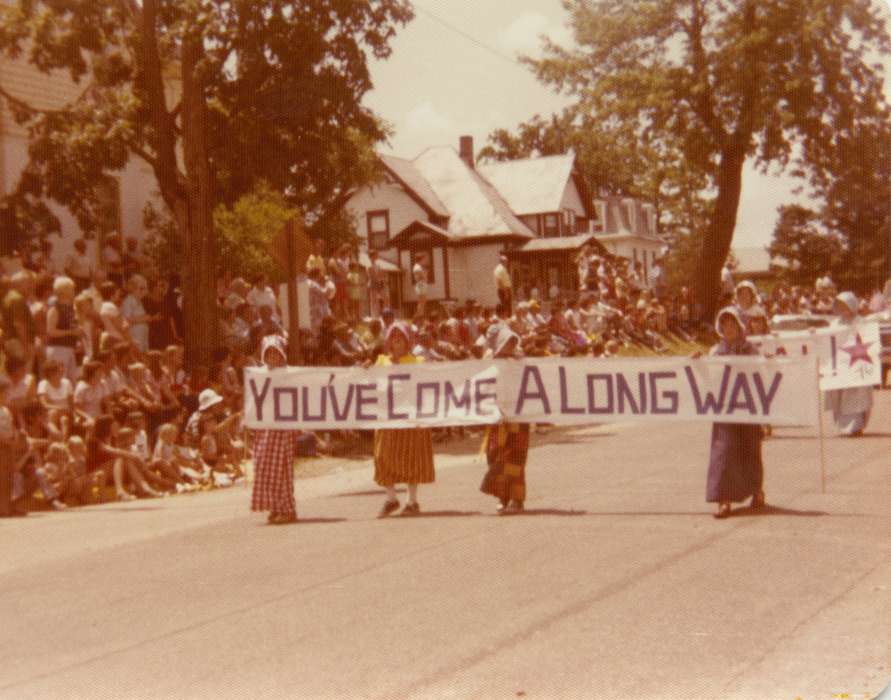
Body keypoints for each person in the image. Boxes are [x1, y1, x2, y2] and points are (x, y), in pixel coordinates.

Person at [702, 307, 765, 518]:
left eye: (732, 324)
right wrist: (696, 365)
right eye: (724, 325)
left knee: (750, 450)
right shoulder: (715, 352)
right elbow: (707, 379)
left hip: (747, 407)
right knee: (723, 452)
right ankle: (723, 500)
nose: (728, 328)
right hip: (724, 408)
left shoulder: (751, 350)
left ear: (739, 326)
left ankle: (756, 491)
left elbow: (762, 375)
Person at [373, 322, 435, 517]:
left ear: (408, 341)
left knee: (411, 459)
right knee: (383, 457)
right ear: (389, 340)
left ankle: (412, 501)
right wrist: (364, 370)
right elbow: (369, 382)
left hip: (409, 419)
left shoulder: (416, 362)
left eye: (401, 336)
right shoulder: (381, 361)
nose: (397, 340)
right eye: (394, 336)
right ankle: (391, 498)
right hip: (387, 418)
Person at [249, 336, 302, 524]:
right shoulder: (258, 374)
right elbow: (253, 399)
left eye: (276, 353)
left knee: (282, 469)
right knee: (264, 467)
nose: (272, 357)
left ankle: (287, 508)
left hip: (282, 428)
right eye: (268, 353)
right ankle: (274, 506)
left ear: (282, 355)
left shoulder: (288, 374)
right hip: (264, 429)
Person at [480, 327, 530, 514]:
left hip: (518, 417)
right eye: (507, 341)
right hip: (497, 417)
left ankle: (517, 499)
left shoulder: (520, 360)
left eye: (512, 341)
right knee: (496, 456)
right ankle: (502, 496)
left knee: (515, 459)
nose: (511, 345)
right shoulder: (488, 361)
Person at [824, 292, 873, 437]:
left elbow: (869, 340)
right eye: (840, 305)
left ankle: (856, 426)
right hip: (840, 366)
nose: (843, 308)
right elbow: (826, 341)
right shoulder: (834, 324)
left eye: (845, 305)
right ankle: (843, 426)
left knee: (857, 396)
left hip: (858, 365)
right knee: (840, 395)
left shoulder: (861, 322)